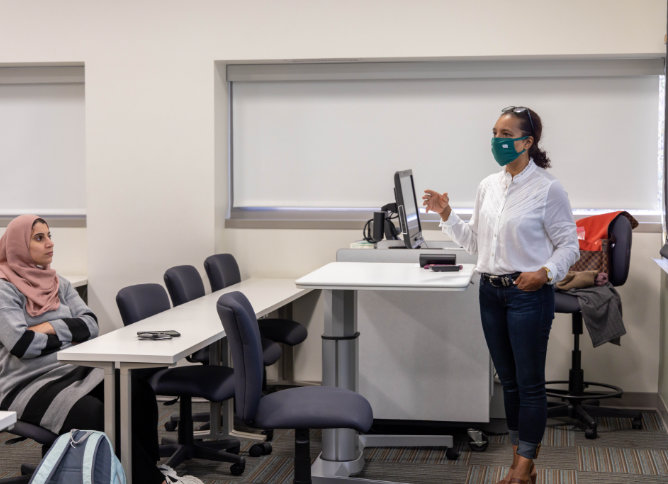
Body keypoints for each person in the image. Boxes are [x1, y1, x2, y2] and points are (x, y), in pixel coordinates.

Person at [423, 107, 579, 484]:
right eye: (494, 132)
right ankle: (520, 457)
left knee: (529, 382)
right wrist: (447, 215)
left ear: (527, 141)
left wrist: (544, 273)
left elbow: (569, 246)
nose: (497, 140)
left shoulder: (547, 188)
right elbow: (477, 243)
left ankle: (523, 465)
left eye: (506, 133)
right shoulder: (487, 186)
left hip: (528, 295)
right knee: (507, 381)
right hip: (490, 292)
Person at [0, 214, 202, 484]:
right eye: (39, 238)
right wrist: (68, 329)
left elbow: (91, 326)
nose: (49, 243)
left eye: (50, 236)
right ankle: (152, 481)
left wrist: (48, 327)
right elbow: (21, 344)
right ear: (18, 246)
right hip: (25, 382)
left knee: (134, 389)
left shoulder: (58, 282)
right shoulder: (5, 289)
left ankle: (147, 469)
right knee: (93, 413)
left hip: (70, 367)